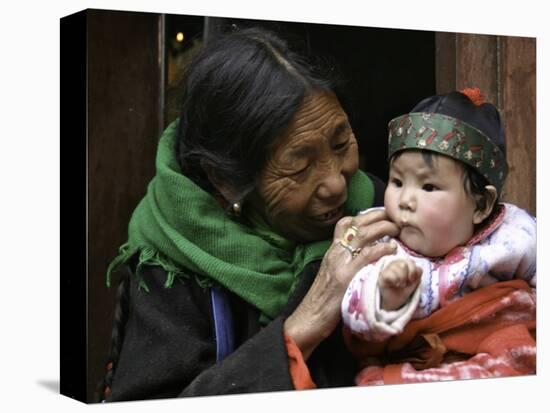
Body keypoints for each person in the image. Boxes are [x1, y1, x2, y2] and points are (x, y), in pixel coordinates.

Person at [99, 26, 400, 402]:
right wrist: (303, 324)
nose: (336, 184)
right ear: (226, 180)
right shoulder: (173, 264)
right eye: (300, 167)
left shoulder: (381, 207)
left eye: (341, 143)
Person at [341, 88, 536, 384]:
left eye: (428, 187)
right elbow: (354, 312)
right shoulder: (381, 240)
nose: (405, 199)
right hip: (409, 369)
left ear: (481, 205)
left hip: (496, 354)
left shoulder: (514, 233)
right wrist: (386, 296)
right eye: (396, 181)